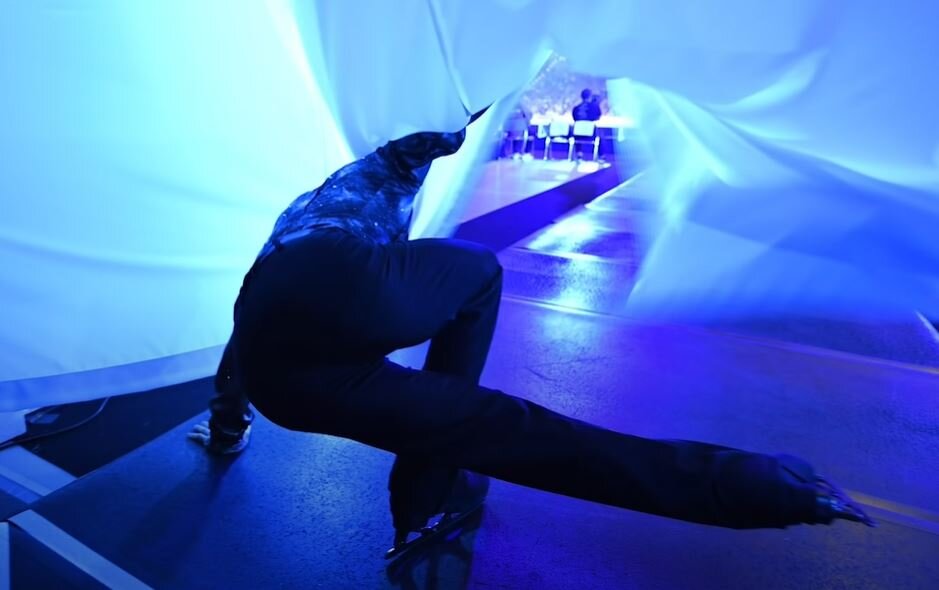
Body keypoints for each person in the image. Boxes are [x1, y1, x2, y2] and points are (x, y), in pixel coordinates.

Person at [189, 112, 873, 554]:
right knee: (482, 296)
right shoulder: (375, 174)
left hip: (284, 377)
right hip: (337, 295)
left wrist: (227, 427)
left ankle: (770, 488)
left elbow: (239, 343)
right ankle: (770, 488)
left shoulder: (286, 240)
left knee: (507, 430)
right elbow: (431, 130)